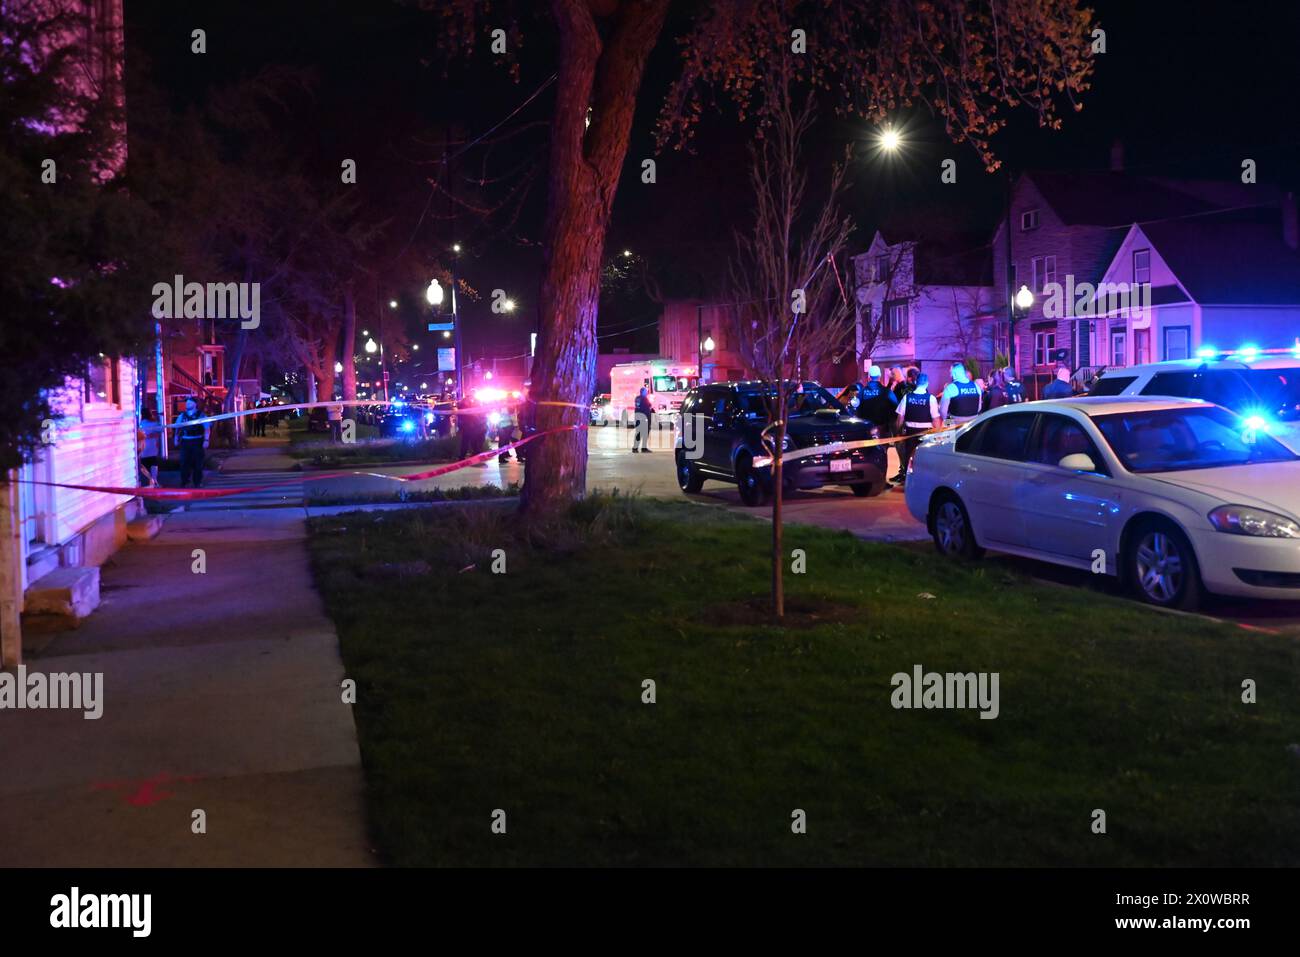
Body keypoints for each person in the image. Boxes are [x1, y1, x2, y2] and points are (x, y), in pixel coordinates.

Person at [894, 372, 940, 484]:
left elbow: (900, 418)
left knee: (910, 458)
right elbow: (935, 419)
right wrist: (939, 433)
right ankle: (925, 480)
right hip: (926, 433)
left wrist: (898, 432)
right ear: (927, 384)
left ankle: (909, 480)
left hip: (910, 433)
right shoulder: (931, 399)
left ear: (916, 382)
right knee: (926, 458)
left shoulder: (907, 397)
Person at [849, 364, 897, 434]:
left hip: (866, 429)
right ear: (880, 376)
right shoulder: (887, 392)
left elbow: (856, 409)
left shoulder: (862, 392)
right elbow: (896, 407)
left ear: (869, 377)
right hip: (882, 429)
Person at [174, 397, 209, 489]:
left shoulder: (201, 415)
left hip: (197, 441)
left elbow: (207, 428)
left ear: (195, 404)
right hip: (185, 441)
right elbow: (178, 427)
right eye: (187, 403)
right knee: (184, 463)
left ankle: (197, 482)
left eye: (189, 403)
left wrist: (206, 440)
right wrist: (175, 438)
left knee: (198, 463)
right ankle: (184, 481)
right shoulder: (182, 416)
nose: (187, 405)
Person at [939, 361, 983, 426]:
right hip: (973, 424)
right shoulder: (976, 386)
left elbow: (943, 411)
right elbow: (979, 408)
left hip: (955, 424)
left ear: (954, 373)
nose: (950, 375)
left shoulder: (950, 388)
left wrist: (948, 422)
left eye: (951, 372)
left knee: (945, 427)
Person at [138, 407, 163, 487]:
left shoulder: (140, 424)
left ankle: (149, 481)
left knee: (144, 465)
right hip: (153, 446)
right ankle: (154, 480)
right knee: (153, 463)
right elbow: (161, 430)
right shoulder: (154, 423)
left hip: (142, 446)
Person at [632, 386, 653, 453]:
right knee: (644, 434)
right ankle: (643, 448)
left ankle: (635, 448)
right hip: (644, 418)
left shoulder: (637, 398)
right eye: (646, 391)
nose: (647, 393)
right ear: (643, 392)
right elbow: (648, 406)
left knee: (638, 433)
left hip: (638, 417)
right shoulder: (644, 398)